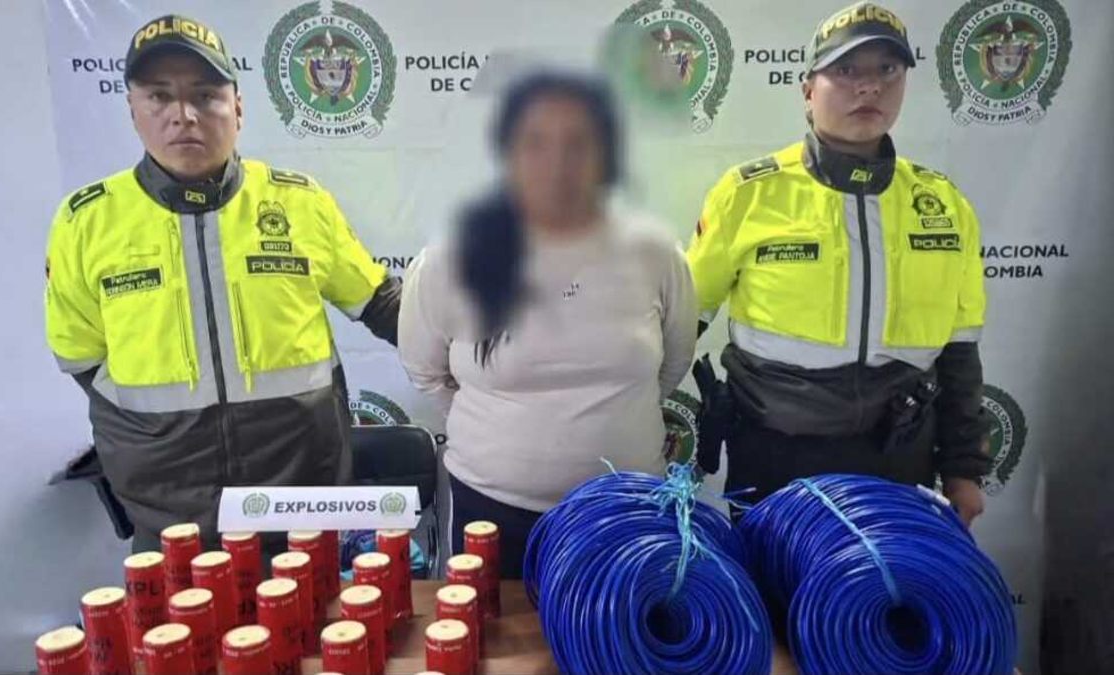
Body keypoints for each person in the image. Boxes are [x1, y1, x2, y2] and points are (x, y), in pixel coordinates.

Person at [44, 15, 400, 552]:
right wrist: (150, 444)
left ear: (238, 108)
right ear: (133, 111)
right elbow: (80, 357)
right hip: (171, 513)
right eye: (159, 96)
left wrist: (484, 345)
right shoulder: (86, 221)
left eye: (205, 95)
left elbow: (382, 304)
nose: (183, 115)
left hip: (304, 500)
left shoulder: (298, 203)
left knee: (324, 611)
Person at [687, 2, 991, 524]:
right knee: (773, 578)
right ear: (808, 89)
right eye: (846, 70)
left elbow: (960, 354)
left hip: (899, 464)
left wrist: (964, 470)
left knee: (883, 582)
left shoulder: (944, 204)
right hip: (775, 460)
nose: (869, 87)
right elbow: (682, 321)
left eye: (887, 70)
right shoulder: (747, 194)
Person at [398, 72, 698, 578]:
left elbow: (672, 363)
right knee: (496, 631)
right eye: (536, 141)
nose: (558, 163)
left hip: (626, 511)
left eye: (578, 142)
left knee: (624, 628)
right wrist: (505, 438)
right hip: (492, 513)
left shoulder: (655, 252)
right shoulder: (452, 258)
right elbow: (426, 372)